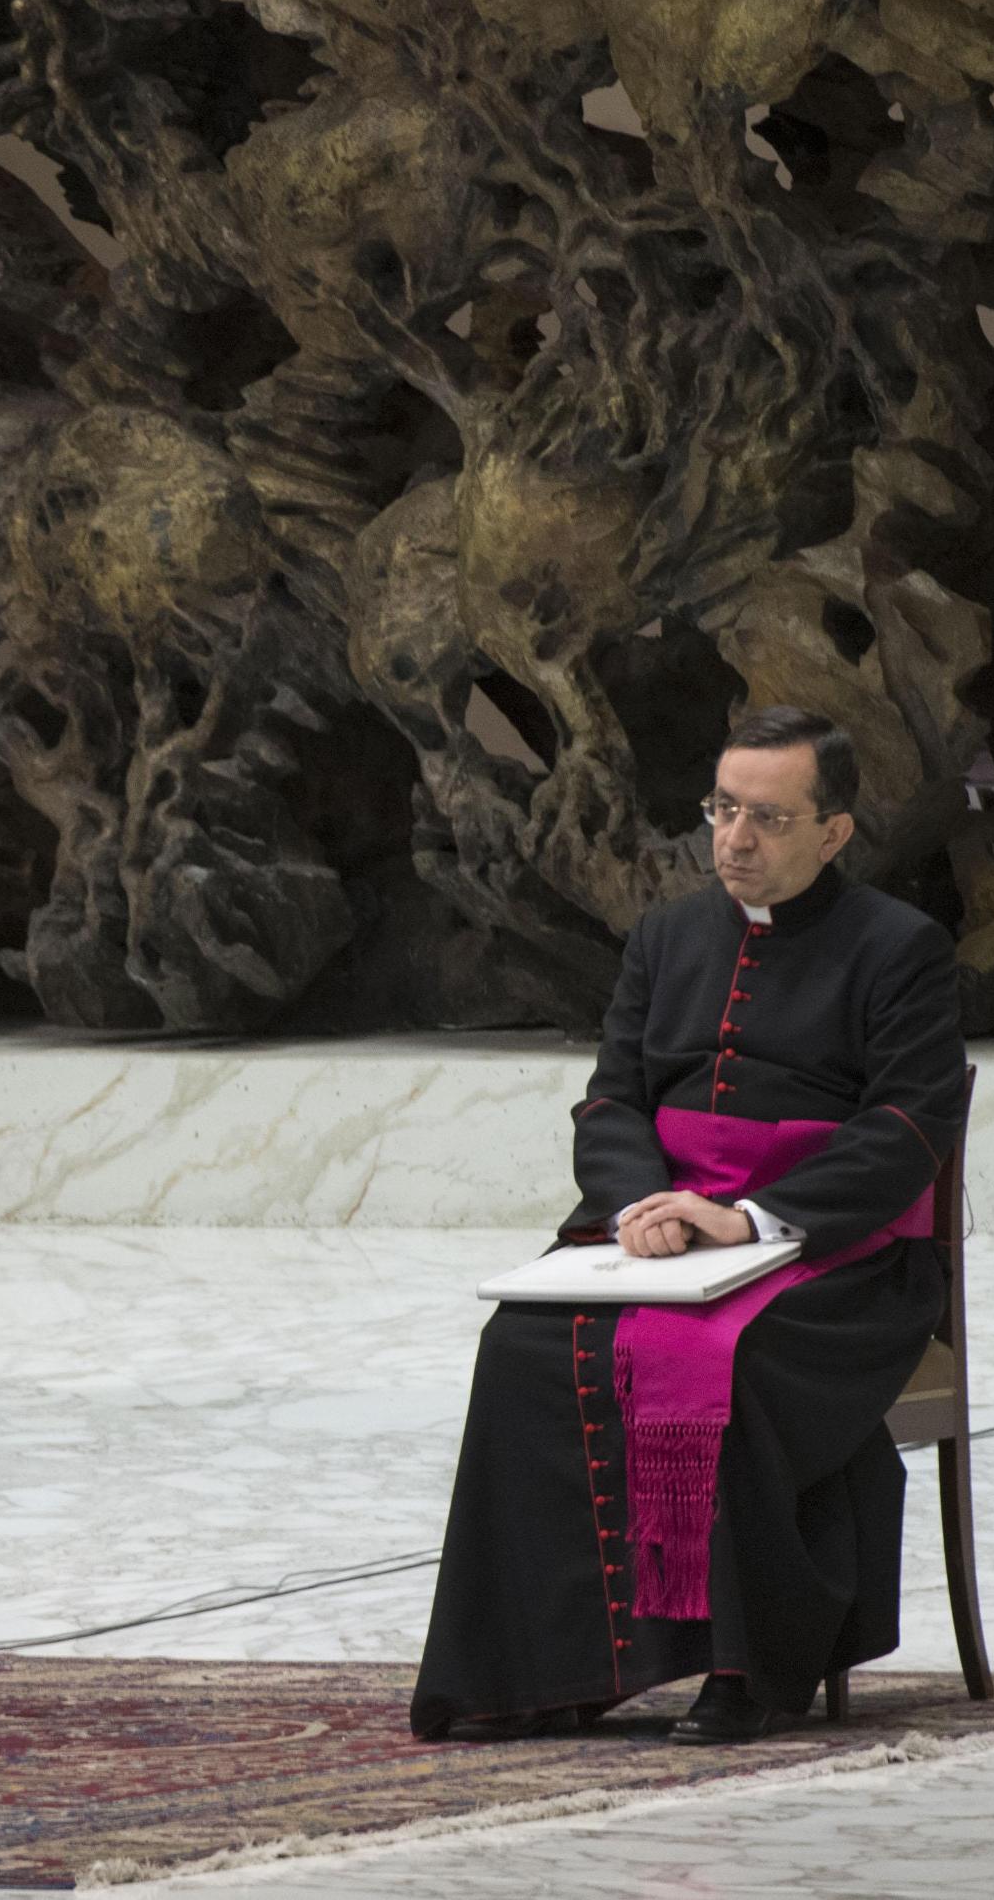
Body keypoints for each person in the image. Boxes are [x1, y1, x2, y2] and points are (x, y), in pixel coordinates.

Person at [412, 708, 964, 1744]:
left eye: (767, 816)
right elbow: (610, 1100)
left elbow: (907, 1124)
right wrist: (634, 1208)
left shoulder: (901, 947)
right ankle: (545, 1668)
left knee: (741, 1362)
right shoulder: (667, 936)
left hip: (834, 1249)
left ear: (834, 831)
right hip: (658, 1226)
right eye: (722, 809)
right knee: (525, 1346)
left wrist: (750, 1215)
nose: (735, 840)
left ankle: (748, 1666)